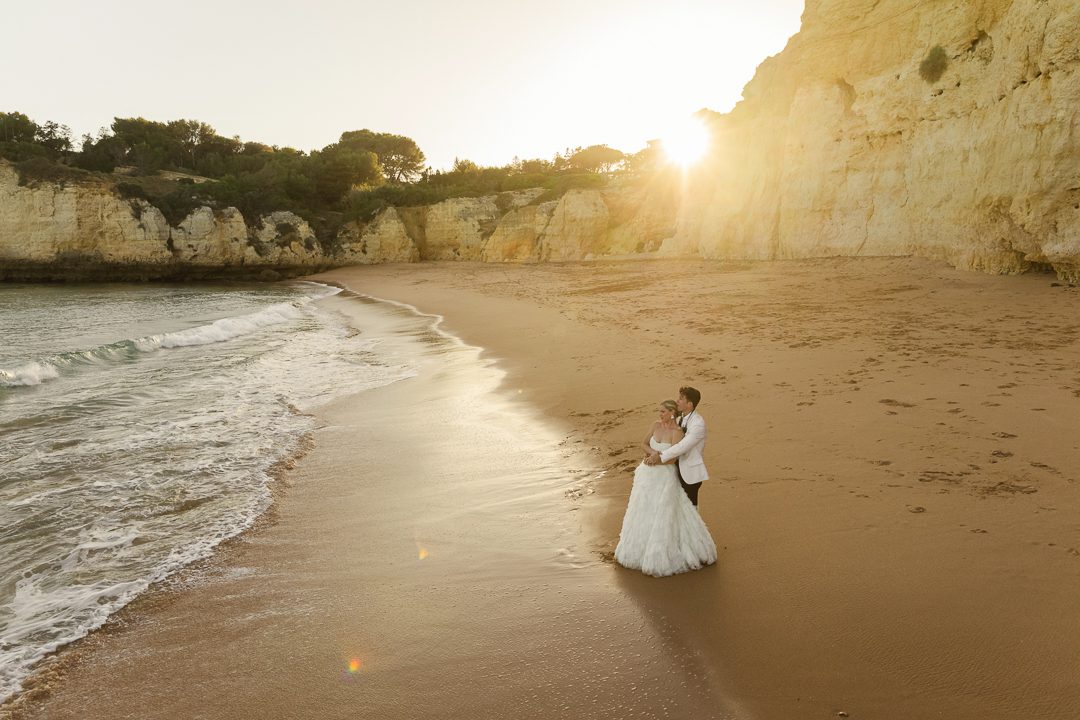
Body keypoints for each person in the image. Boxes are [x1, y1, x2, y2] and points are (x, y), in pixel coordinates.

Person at [614, 399, 716, 577]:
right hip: (646, 475)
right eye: (658, 411)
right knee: (642, 509)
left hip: (664, 476)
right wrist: (652, 454)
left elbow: (673, 458)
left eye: (662, 411)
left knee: (663, 511)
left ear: (671, 413)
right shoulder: (655, 425)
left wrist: (656, 460)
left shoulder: (677, 433)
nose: (659, 415)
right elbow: (643, 443)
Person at [645, 386, 706, 506]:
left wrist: (658, 457)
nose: (677, 401)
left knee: (689, 511)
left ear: (689, 404)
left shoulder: (698, 425)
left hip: (689, 473)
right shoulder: (679, 419)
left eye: (681, 399)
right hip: (673, 469)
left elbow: (681, 447)